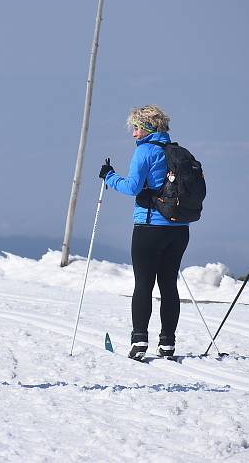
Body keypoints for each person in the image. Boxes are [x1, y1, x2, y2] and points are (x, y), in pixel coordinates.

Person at [99, 105, 190, 360]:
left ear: (148, 129)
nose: (134, 134)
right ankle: (168, 344)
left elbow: (132, 187)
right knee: (169, 284)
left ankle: (139, 341)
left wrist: (109, 176)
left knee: (144, 284)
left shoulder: (145, 152)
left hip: (149, 227)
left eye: (136, 128)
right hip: (179, 229)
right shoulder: (178, 152)